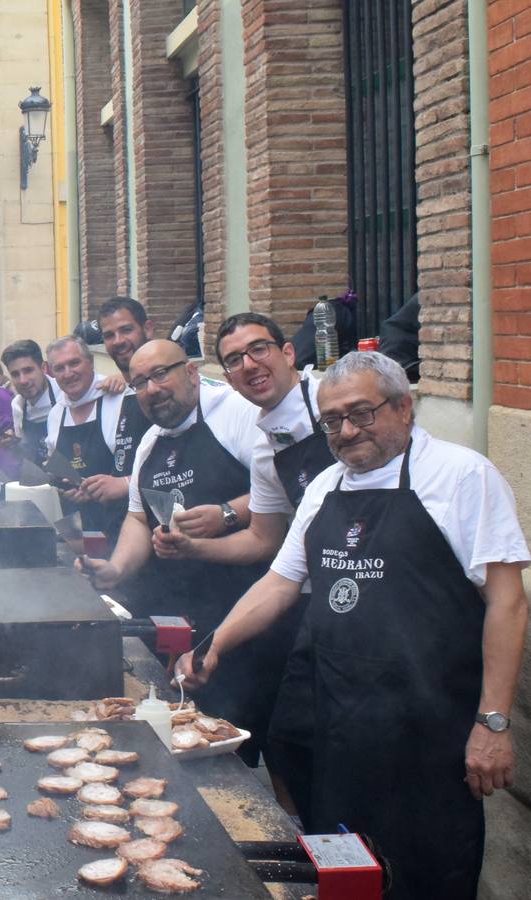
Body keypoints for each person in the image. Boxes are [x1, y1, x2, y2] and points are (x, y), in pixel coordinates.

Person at [178, 351, 529, 900]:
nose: (346, 431)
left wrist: (494, 723)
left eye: (362, 414)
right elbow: (279, 582)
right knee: (343, 867)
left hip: (428, 727)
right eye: (332, 421)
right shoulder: (324, 487)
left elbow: (507, 604)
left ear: (405, 408)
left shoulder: (462, 475)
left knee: (426, 872)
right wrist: (215, 642)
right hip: (338, 719)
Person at [154, 313, 331, 812]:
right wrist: (194, 548)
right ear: (225, 374)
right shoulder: (263, 441)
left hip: (381, 597)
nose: (250, 365)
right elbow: (264, 541)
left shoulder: (329, 399)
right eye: (234, 359)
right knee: (290, 740)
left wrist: (224, 515)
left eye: (259, 350)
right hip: (305, 599)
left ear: (288, 353)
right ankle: (313, 852)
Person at [78, 340, 270, 754]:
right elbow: (138, 517)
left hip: (240, 605)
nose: (152, 389)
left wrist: (226, 513)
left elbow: (278, 495)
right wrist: (114, 571)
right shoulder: (149, 443)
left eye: (161, 374)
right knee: (181, 730)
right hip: (178, 607)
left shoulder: (236, 414)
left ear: (192, 371)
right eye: (140, 382)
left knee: (241, 734)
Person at [44, 336, 151, 544]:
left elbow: (152, 465)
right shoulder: (56, 413)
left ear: (90, 361)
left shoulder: (121, 398)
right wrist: (67, 486)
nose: (68, 373)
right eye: (59, 368)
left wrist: (122, 484)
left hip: (126, 527)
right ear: (52, 373)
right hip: (78, 531)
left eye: (74, 363)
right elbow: (56, 464)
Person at [2, 339, 57, 463]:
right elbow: (26, 451)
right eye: (15, 374)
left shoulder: (65, 397)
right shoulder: (18, 406)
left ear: (43, 368)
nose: (23, 381)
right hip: (37, 479)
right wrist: (12, 444)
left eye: (28, 371)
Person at [97, 296, 154, 376]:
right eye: (109, 335)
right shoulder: (108, 387)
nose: (118, 341)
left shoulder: (172, 383)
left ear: (147, 329)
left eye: (126, 330)